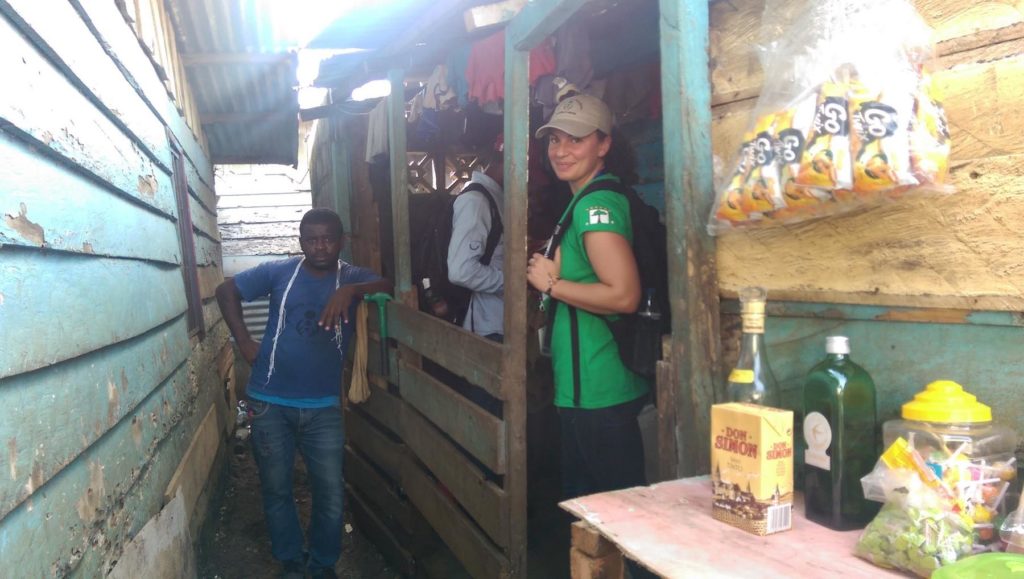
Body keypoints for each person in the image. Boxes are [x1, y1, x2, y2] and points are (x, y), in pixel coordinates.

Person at [215, 208, 392, 579]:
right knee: (276, 488)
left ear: (341, 241)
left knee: (329, 492)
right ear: (301, 241)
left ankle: (322, 564)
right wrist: (244, 339)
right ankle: (291, 561)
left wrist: (350, 291)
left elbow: (388, 286)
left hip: (323, 407)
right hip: (269, 403)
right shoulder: (281, 271)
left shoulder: (350, 275)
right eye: (311, 239)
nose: (320, 246)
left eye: (327, 238)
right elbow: (225, 290)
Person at [527, 94, 649, 499]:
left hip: (599, 390)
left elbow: (623, 294)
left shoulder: (595, 205)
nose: (561, 151)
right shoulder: (583, 199)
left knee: (618, 522)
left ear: (604, 145)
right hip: (586, 390)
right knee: (594, 521)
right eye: (554, 140)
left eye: (576, 140)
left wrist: (552, 285)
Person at [447, 137, 505, 341]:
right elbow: (461, 271)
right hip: (486, 326)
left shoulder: (497, 197)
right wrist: (513, 283)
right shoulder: (476, 201)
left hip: (501, 320)